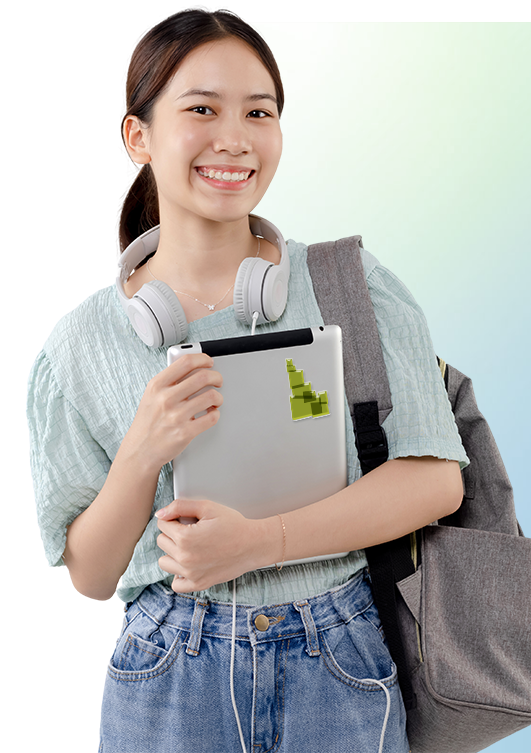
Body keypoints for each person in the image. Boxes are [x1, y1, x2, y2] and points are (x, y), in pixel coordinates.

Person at [26, 6, 468, 752]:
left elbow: (436, 481)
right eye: (202, 108)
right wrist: (141, 451)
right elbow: (92, 575)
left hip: (339, 657)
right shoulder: (79, 346)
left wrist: (260, 542)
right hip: (170, 667)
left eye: (258, 112)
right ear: (137, 136)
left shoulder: (349, 285)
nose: (235, 137)